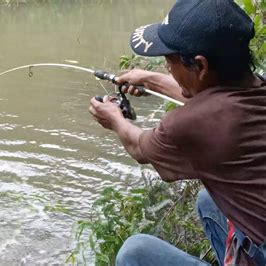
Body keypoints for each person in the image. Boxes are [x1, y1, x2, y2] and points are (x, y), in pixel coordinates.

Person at [88, 0, 266, 265]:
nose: (168, 68)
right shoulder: (254, 85)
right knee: (208, 201)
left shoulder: (190, 125)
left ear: (200, 65)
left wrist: (114, 118)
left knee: (134, 253)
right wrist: (151, 80)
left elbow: (139, 147)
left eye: (169, 62)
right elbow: (213, 101)